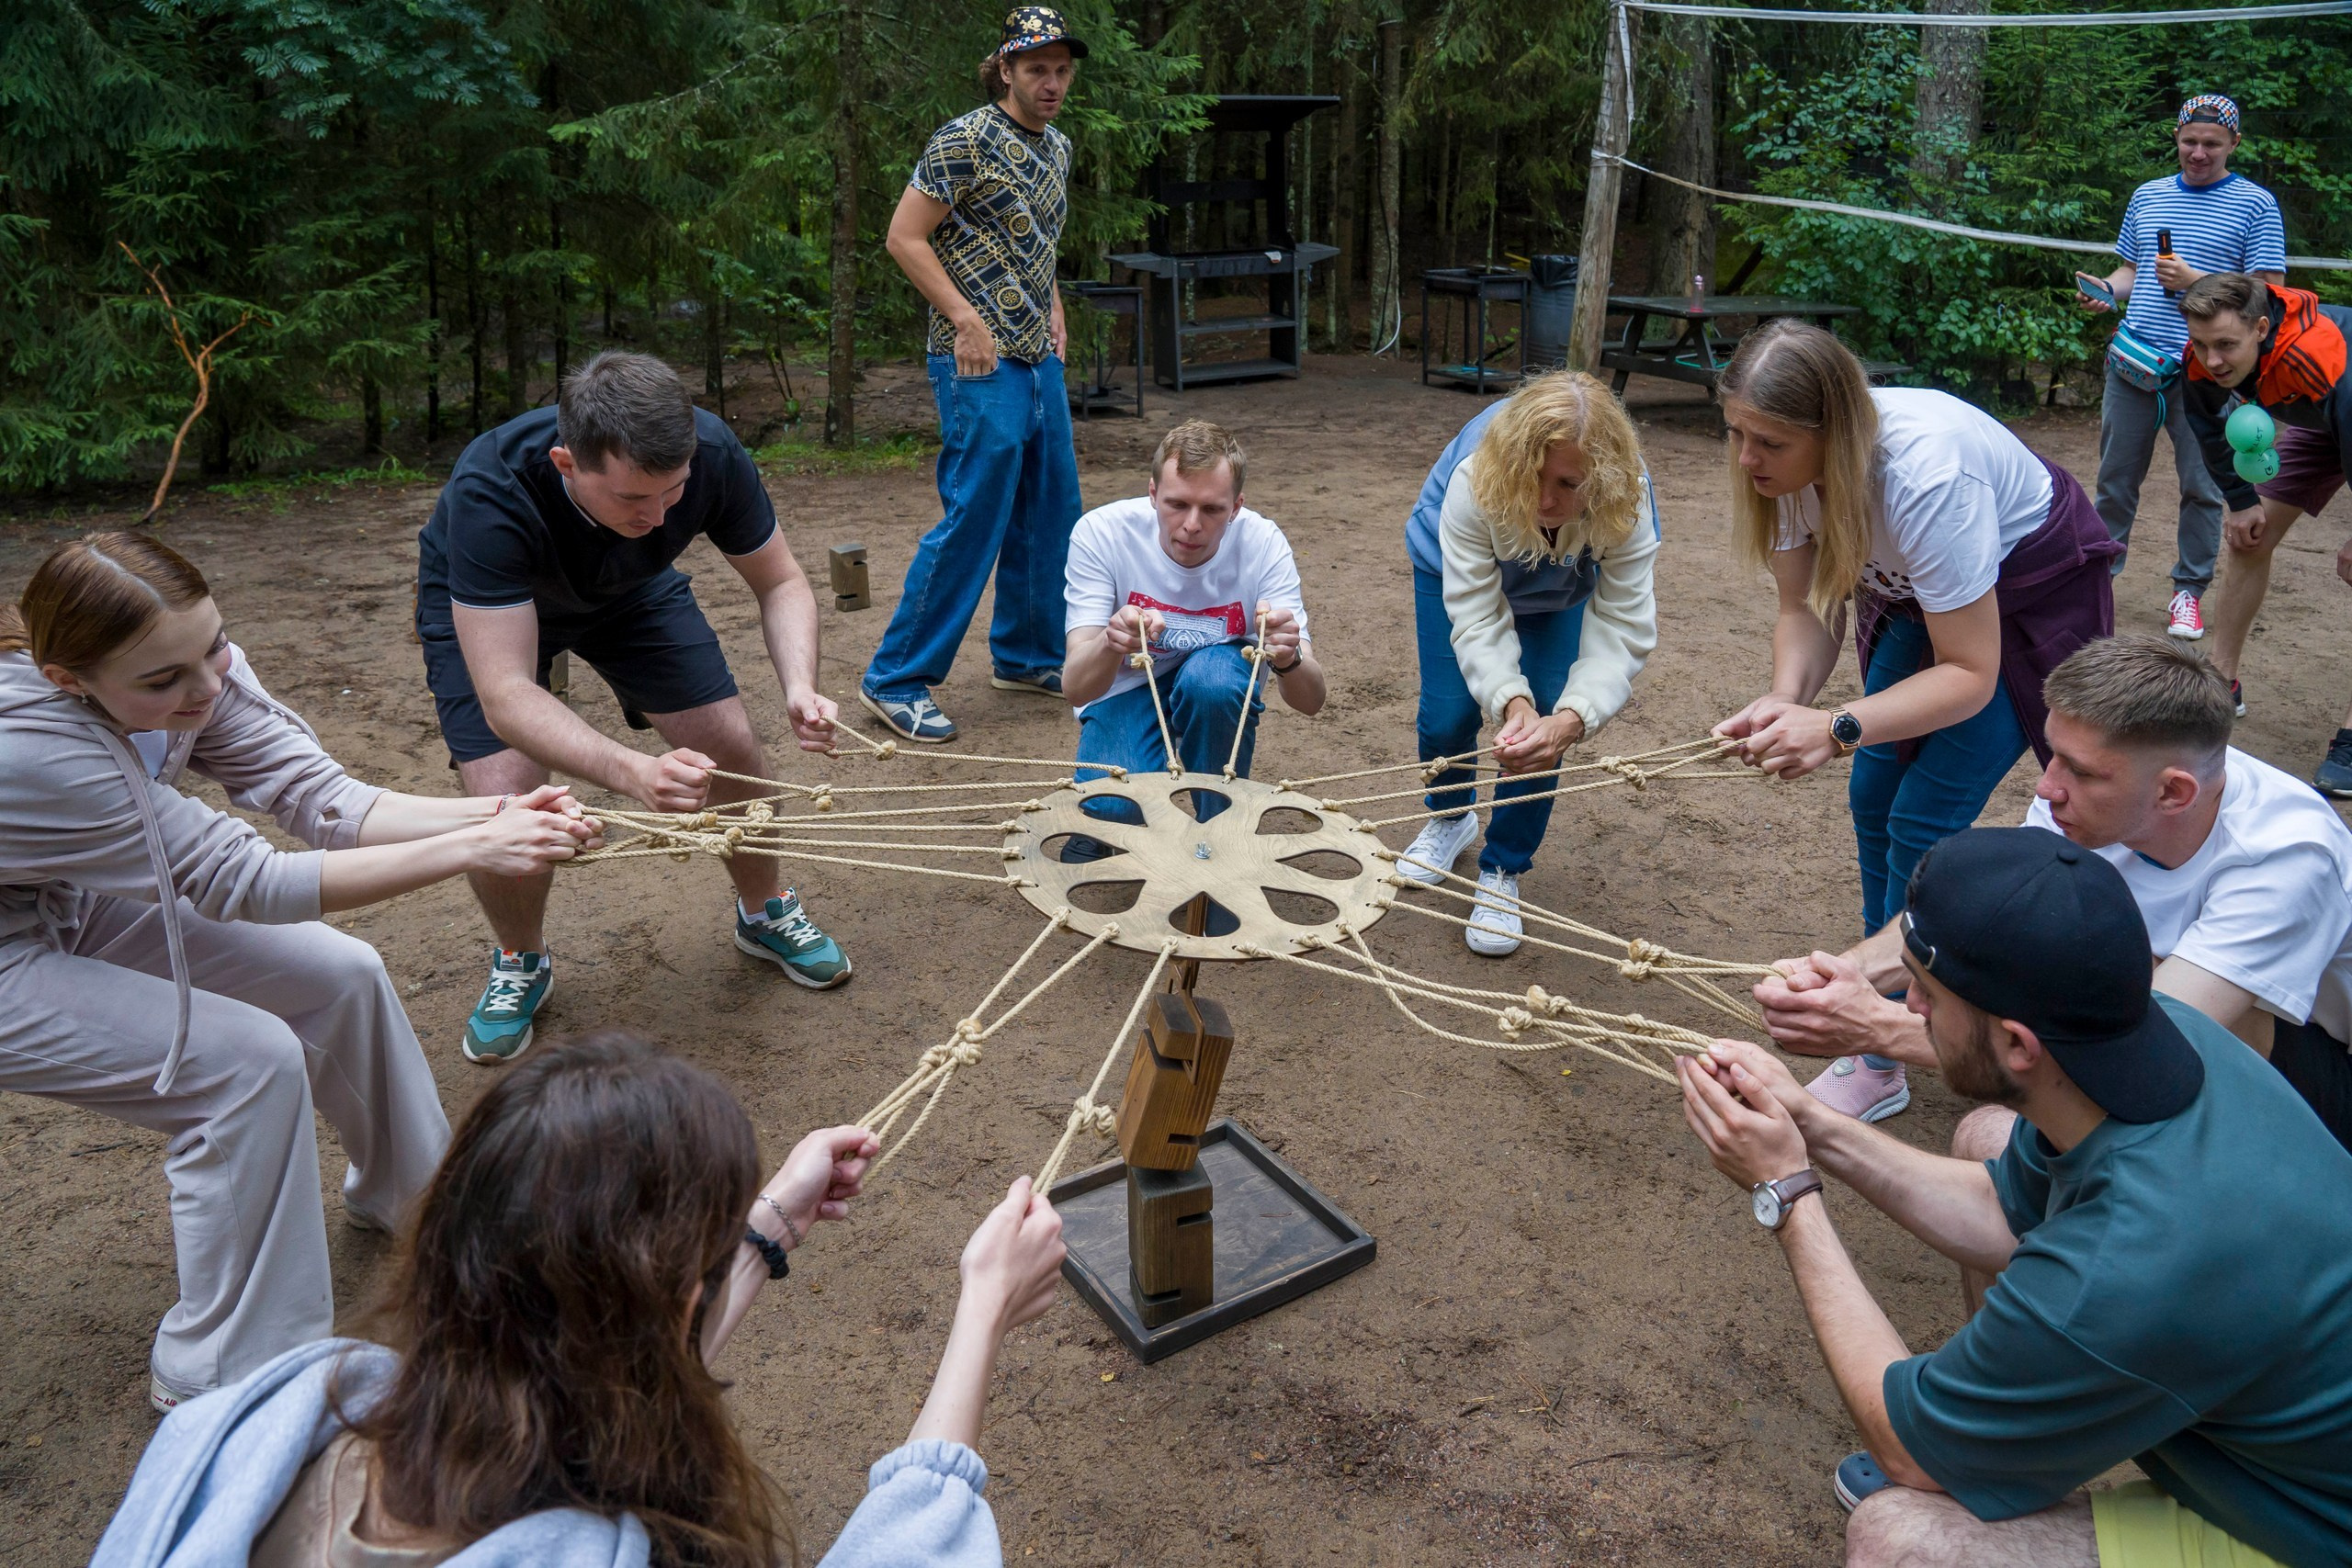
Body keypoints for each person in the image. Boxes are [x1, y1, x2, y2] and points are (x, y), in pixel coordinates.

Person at [0, 533, 596, 1413]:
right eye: (164, 681)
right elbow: (245, 882)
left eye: (212, 648)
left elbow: (323, 799)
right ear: (67, 679)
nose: (205, 689)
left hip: (63, 893)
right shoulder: (35, 749)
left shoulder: (190, 664)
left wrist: (497, 809)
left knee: (340, 972)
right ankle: (226, 1372)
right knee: (241, 1065)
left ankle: (426, 1212)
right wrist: (474, 844)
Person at [93, 1032, 1068, 1567]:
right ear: (670, 1300)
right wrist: (980, 1314)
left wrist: (764, 1232)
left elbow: (596, 1368)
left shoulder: (285, 1413)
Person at [1680, 828, 2352, 1568]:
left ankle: (1970, 1442)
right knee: (1989, 1134)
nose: (1907, 1014)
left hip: (2314, 1529)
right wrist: (1813, 1127)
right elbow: (2004, 1210)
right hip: (2276, 1401)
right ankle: (1992, 1440)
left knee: (1899, 1540)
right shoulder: (2164, 1038)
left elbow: (1905, 1453)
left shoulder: (2121, 1270)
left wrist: (1789, 1191)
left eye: (1925, 996)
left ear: (2019, 1045)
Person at [1714, 321, 2117, 1124]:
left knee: (1923, 810)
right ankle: (1887, 1011)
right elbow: (1808, 605)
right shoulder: (1787, 475)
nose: (1746, 459)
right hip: (1923, 599)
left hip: (2025, 598)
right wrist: (1791, 696)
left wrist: (1834, 726)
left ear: (1834, 433)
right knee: (1872, 795)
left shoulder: (1927, 476)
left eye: (1769, 441)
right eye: (1735, 433)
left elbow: (1970, 673)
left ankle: (1875, 1045)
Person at [417, 349, 851, 1066]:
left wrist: (800, 684)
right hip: (495, 606)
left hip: (630, 592)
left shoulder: (708, 452)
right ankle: (521, 958)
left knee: (729, 742)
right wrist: (631, 771)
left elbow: (781, 582)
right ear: (567, 464)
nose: (655, 516)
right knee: (503, 794)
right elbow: (505, 695)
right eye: (630, 499)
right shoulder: (491, 491)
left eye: (672, 493)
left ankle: (764, 909)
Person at [1758, 634, 2352, 1152]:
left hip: (2312, 1079)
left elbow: (2148, 1048)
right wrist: (1849, 969)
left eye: (2080, 771)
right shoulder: (2103, 788)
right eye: (2054, 755)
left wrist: (1877, 1028)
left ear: (2174, 793)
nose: (2047, 786)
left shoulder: (2287, 857)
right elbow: (2002, 911)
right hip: (2178, 1015)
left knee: (1996, 1134)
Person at [863, 6, 1087, 746]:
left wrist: (1053, 306)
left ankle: (1025, 656)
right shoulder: (962, 139)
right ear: (1006, 70)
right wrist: (964, 318)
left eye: (1060, 70)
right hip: (976, 359)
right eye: (1036, 70)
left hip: (1036, 357)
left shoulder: (1057, 147)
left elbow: (1040, 243)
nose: (1050, 83)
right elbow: (904, 236)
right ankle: (895, 675)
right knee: (975, 516)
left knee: (1051, 510)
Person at [1394, 369, 1662, 956]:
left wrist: (1569, 718)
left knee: (1540, 729)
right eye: (1534, 478)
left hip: (1564, 582)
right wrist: (1505, 697)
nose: (1546, 500)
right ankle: (1449, 817)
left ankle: (1502, 868)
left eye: (1568, 483)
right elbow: (1477, 612)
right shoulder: (1474, 482)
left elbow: (1621, 626)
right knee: (1447, 717)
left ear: (1605, 478)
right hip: (1459, 570)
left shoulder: (1627, 501)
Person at [2073, 93, 2287, 642]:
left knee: (2204, 488)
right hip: (2135, 361)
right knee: (2115, 483)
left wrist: (2196, 282)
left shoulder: (2256, 205)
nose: (2198, 152)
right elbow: (2131, 269)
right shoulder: (2148, 195)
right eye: (2189, 141)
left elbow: (2272, 296)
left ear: (2234, 144)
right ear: (2176, 138)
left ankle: (2188, 594)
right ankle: (2097, 585)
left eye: (2211, 144)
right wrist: (2107, 290)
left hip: (2210, 372)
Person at [1061, 419, 1324, 805]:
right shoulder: (1102, 533)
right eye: (1177, 504)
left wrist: (1289, 658)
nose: (1191, 525)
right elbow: (1075, 687)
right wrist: (1109, 641)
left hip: (1214, 685)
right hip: (1127, 687)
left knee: (1214, 681)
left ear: (1236, 507)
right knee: (1113, 811)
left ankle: (1218, 825)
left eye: (1212, 509)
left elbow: (1311, 700)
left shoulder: (1263, 543)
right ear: (1153, 494)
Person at [2177, 272, 2352, 792]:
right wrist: (2241, 501)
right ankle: (2219, 682)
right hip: (2321, 420)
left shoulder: (2320, 358)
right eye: (2203, 345)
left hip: (2344, 400)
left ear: (2259, 328)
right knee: (2248, 537)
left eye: (2226, 345)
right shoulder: (2205, 355)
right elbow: (2207, 425)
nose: (2213, 361)